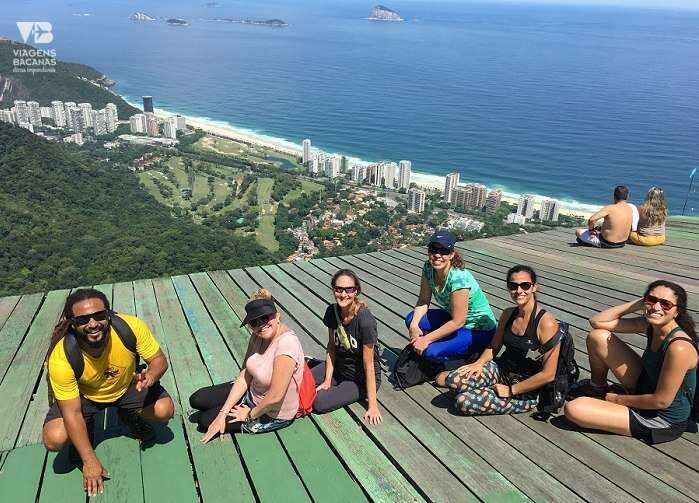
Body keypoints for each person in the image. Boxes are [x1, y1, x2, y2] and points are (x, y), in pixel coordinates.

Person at [42, 289, 174, 497]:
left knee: (164, 410)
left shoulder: (130, 327)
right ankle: (87, 430)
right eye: (83, 319)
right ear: (73, 323)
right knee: (54, 438)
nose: (93, 323)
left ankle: (128, 415)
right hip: (85, 397)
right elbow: (72, 414)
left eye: (100, 315)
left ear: (109, 314)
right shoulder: (62, 357)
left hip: (127, 386)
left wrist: (151, 376)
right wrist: (89, 459)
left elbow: (159, 361)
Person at [565, 280, 698, 444]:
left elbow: (662, 401)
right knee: (598, 337)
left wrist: (616, 399)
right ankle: (597, 388)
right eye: (652, 300)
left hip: (662, 417)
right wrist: (639, 304)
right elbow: (597, 322)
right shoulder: (649, 324)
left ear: (677, 312)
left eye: (666, 304)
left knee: (574, 409)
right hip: (646, 386)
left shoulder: (679, 347)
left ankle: (617, 404)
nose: (656, 307)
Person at [440, 265, 561, 414]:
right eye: (513, 285)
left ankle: (487, 392)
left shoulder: (546, 322)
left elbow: (548, 374)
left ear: (534, 287)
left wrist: (511, 390)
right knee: (453, 381)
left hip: (525, 387)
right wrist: (479, 363)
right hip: (502, 370)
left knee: (462, 402)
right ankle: (487, 389)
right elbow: (494, 346)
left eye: (525, 285)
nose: (519, 291)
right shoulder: (508, 314)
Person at [190, 289, 304, 442]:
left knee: (204, 420)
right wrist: (223, 413)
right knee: (197, 399)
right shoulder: (258, 336)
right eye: (254, 322)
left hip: (271, 412)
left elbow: (275, 397)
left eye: (265, 318)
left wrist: (249, 414)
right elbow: (245, 374)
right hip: (251, 393)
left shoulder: (287, 344)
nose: (260, 325)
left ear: (277, 315)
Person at [406, 230, 497, 362]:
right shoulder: (428, 267)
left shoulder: (458, 279)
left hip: (478, 329)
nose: (437, 255)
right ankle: (445, 343)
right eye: (433, 249)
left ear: (451, 254)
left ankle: (472, 352)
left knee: (430, 352)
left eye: (444, 251)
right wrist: (414, 326)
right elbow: (423, 300)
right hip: (454, 318)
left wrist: (426, 339)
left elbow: (458, 321)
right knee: (411, 319)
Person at [312, 269, 382, 424]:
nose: (343, 295)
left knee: (319, 402)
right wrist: (327, 380)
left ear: (356, 291)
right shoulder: (332, 311)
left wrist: (372, 406)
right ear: (333, 290)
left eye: (349, 289)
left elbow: (369, 365)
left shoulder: (365, 321)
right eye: (338, 289)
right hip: (338, 367)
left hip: (359, 379)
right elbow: (331, 347)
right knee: (302, 380)